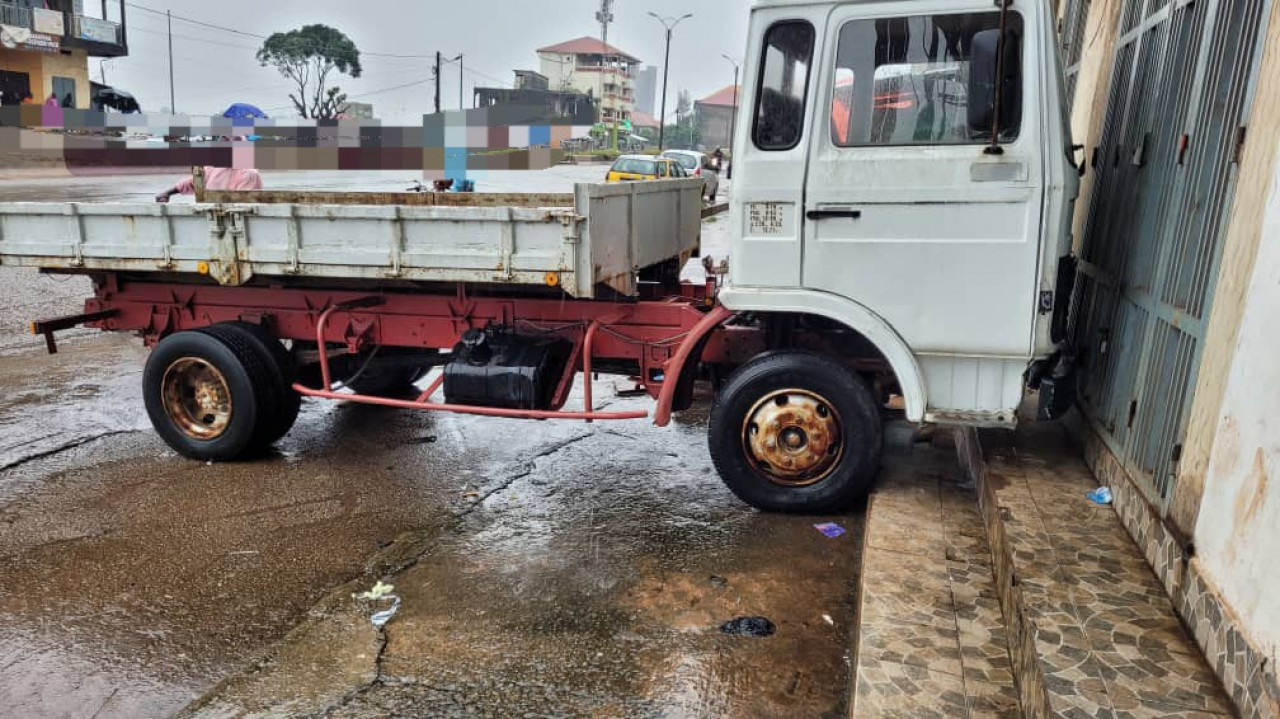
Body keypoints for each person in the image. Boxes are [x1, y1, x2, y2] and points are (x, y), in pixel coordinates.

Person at [156, 167, 264, 203]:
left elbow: (244, 203)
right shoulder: (213, 169)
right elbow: (191, 182)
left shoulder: (249, 174)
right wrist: (167, 193)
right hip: (211, 216)